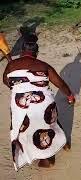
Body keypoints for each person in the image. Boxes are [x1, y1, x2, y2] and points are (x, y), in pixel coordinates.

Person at [2, 34, 75, 170]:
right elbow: (60, 83)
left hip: (21, 107)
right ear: (36, 52)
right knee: (49, 120)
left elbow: (5, 81)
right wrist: (70, 96)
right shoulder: (43, 65)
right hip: (45, 104)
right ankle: (63, 144)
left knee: (27, 129)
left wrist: (20, 88)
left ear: (22, 51)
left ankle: (47, 158)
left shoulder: (11, 65)